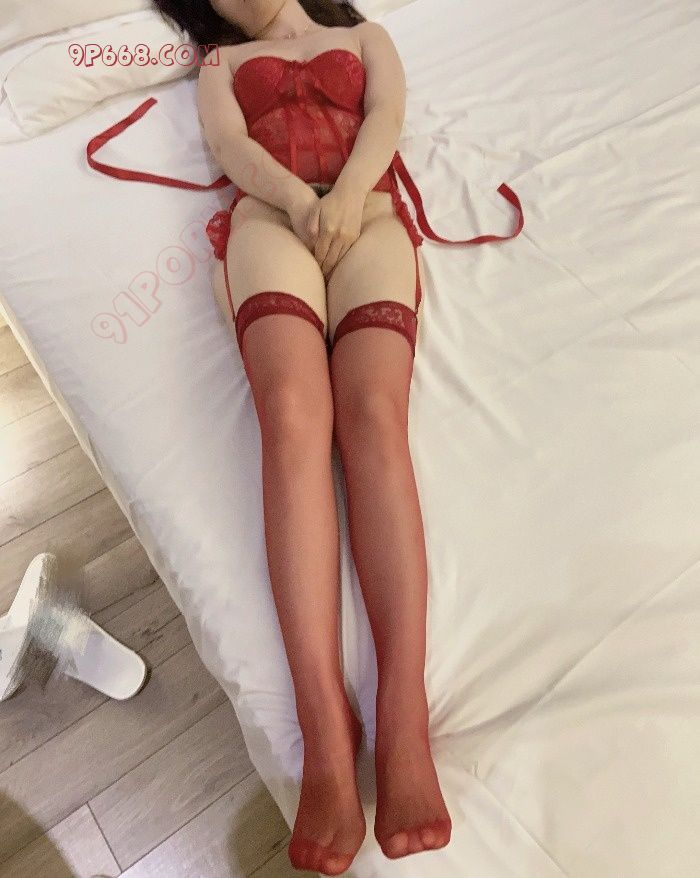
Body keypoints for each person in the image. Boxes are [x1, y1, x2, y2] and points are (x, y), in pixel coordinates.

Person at [89, 0, 522, 873]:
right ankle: (326, 724)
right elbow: (230, 148)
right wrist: (297, 201)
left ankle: (402, 719)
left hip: (372, 217)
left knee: (374, 419)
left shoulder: (366, 36)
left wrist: (349, 197)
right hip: (267, 218)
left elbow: (386, 117)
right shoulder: (216, 66)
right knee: (290, 417)